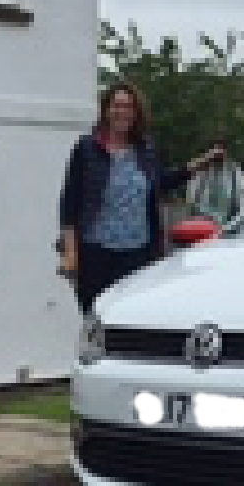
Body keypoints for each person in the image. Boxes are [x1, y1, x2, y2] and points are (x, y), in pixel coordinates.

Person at [58, 83, 224, 314]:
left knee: (132, 313)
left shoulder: (146, 150)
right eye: (116, 105)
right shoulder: (87, 148)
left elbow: (162, 182)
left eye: (129, 107)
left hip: (138, 252)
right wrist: (70, 253)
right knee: (96, 315)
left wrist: (203, 162)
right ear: (106, 110)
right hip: (95, 251)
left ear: (136, 113)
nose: (122, 112)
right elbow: (70, 201)